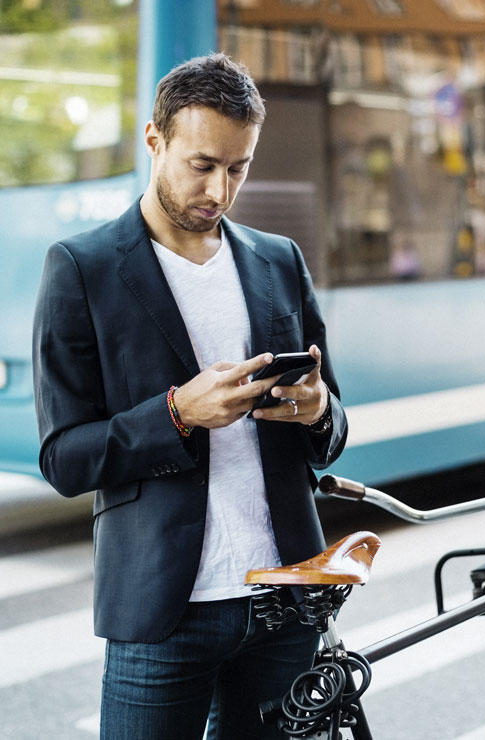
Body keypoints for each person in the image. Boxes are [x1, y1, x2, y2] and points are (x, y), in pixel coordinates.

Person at [32, 53, 347, 740]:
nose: (220, 189)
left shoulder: (278, 260)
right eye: (201, 164)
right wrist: (178, 414)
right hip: (166, 611)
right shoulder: (82, 269)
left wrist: (320, 410)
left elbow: (333, 420)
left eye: (238, 168)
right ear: (155, 141)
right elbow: (63, 458)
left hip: (287, 599)